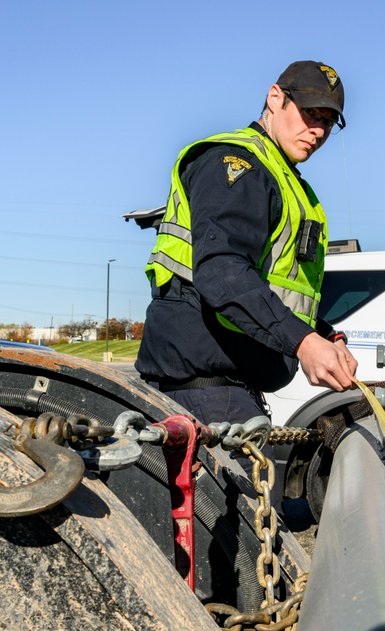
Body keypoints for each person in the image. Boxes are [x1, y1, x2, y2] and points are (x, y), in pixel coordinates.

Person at [136, 61, 358, 427]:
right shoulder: (238, 164)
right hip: (202, 394)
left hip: (229, 394)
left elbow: (270, 286)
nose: (317, 130)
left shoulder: (280, 176)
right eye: (309, 113)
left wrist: (325, 335)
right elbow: (222, 271)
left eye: (328, 122)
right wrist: (303, 343)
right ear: (275, 98)